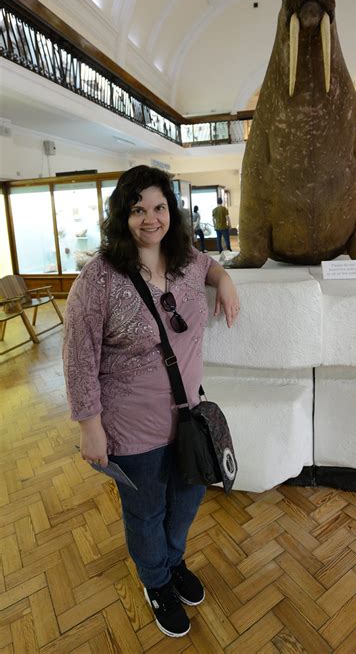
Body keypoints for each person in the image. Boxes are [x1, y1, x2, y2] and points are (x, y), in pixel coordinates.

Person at [63, 165, 239, 639]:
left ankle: (173, 561)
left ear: (171, 212)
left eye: (158, 207)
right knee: (146, 512)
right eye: (137, 209)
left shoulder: (185, 260)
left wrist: (223, 278)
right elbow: (78, 354)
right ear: (122, 215)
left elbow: (209, 264)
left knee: (186, 501)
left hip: (187, 418)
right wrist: (89, 426)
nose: (149, 219)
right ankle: (156, 580)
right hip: (130, 425)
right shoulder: (99, 278)